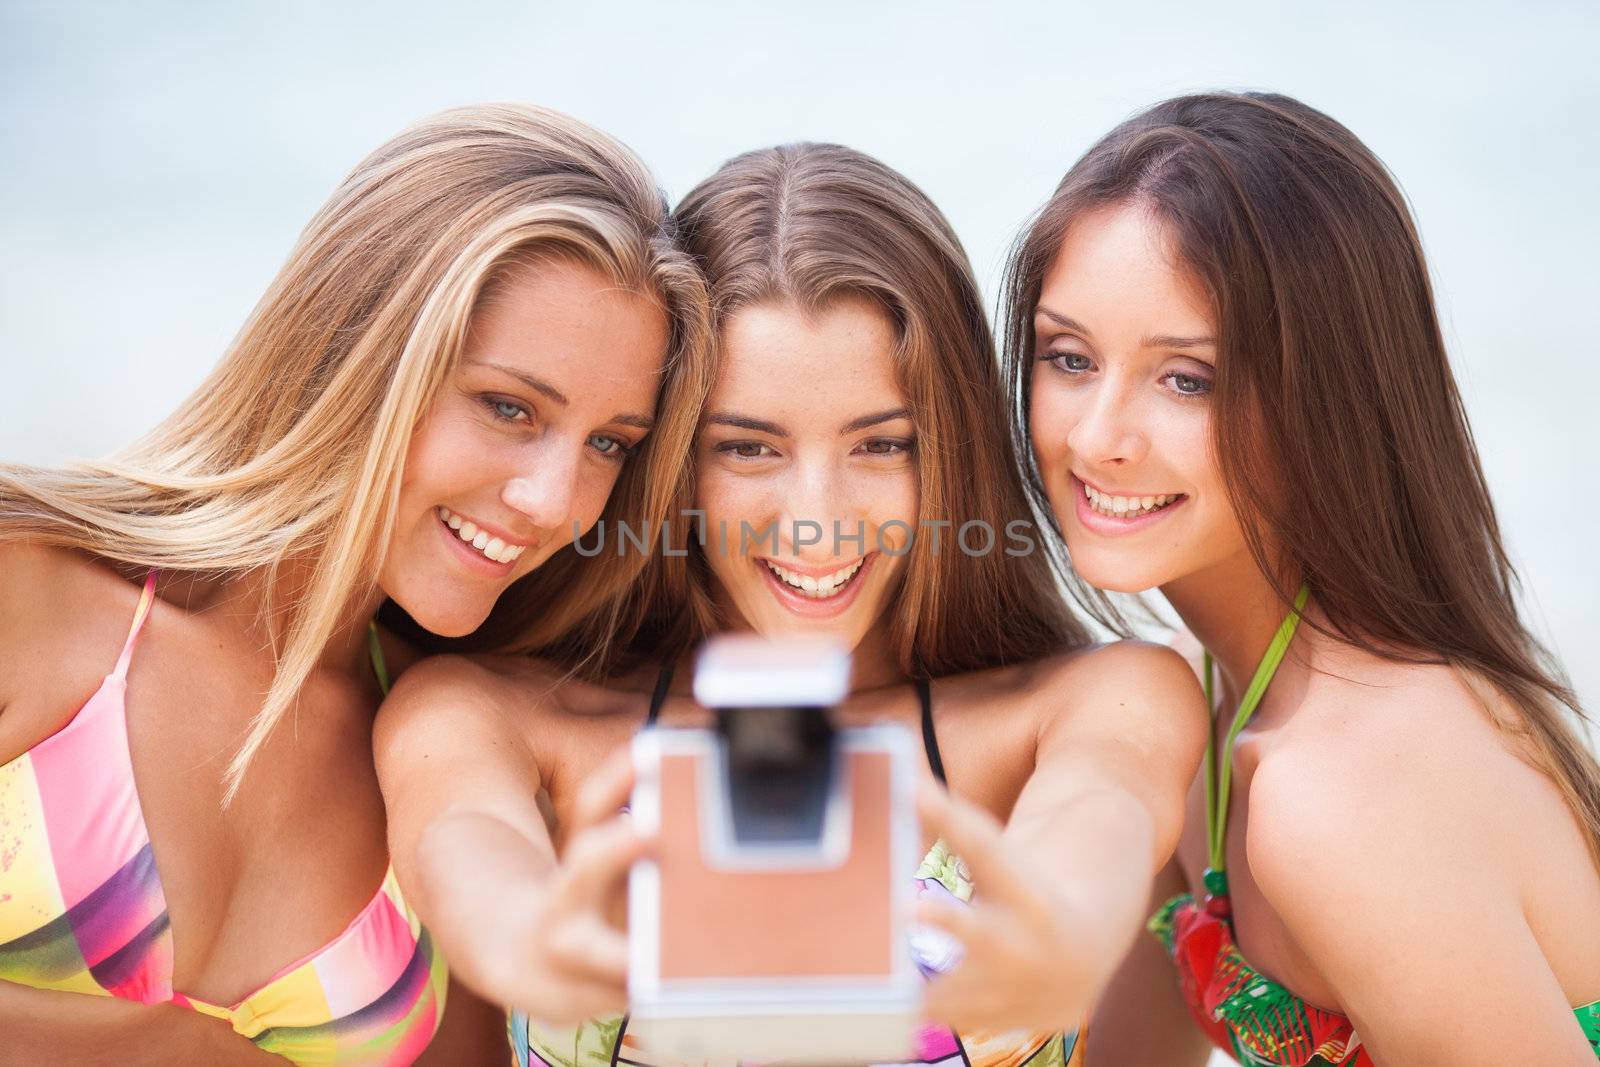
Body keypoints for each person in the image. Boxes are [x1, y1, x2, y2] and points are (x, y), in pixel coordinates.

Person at [376, 141, 1208, 1067]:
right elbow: (464, 835)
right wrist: (519, 932)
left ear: (951, 448)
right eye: (749, 449)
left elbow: (1100, 814)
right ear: (673, 460)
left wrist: (1069, 925)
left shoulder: (1096, 701)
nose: (818, 523)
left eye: (882, 446)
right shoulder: (492, 713)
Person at [0, 103, 710, 1065]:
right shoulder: (31, 582)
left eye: (607, 445)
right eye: (508, 407)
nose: (554, 500)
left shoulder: (446, 743)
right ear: (360, 347)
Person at [1002, 91, 1600, 1064]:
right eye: (1067, 357)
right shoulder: (1200, 701)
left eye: (1185, 378)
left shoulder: (1337, 794)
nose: (1096, 437)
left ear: (1323, 393)